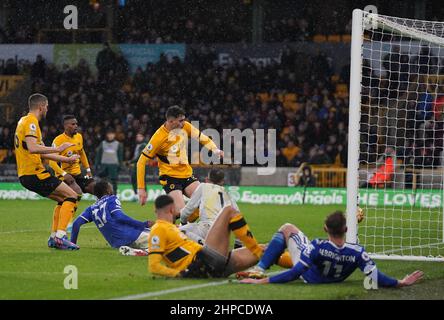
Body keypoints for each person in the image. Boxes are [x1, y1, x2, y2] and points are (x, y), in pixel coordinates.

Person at [238, 211, 423, 289]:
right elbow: (375, 277)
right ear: (346, 229)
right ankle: (266, 257)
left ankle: (259, 269)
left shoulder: (317, 246)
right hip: (334, 276)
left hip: (309, 277)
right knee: (277, 249)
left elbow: (294, 273)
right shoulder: (358, 252)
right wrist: (401, 282)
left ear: (326, 229)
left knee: (288, 228)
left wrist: (262, 282)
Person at [14, 93, 81, 250]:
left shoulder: (23, 121)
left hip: (26, 174)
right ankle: (60, 237)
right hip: (35, 173)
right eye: (47, 106)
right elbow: (32, 148)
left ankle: (54, 238)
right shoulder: (31, 122)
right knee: (72, 195)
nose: (47, 109)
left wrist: (66, 159)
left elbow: (41, 152)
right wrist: (58, 148)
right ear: (41, 106)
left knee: (63, 199)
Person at [137, 105, 223, 217]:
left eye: (184, 119)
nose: (183, 123)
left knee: (206, 203)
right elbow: (141, 162)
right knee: (184, 214)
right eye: (180, 120)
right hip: (170, 177)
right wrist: (141, 188)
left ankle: (176, 218)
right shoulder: (158, 137)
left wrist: (215, 149)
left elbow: (202, 138)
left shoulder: (185, 126)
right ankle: (170, 218)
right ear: (171, 121)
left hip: (186, 174)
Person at [148, 194, 263, 278]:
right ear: (172, 209)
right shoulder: (158, 229)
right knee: (229, 211)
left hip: (209, 263)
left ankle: (261, 266)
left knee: (265, 249)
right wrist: (178, 273)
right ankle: (257, 257)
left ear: (155, 210)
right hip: (202, 262)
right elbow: (154, 266)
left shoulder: (170, 227)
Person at [70, 180, 153, 256]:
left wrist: (72, 244)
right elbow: (119, 217)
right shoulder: (111, 199)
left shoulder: (91, 209)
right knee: (162, 239)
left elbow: (76, 224)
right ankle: (143, 252)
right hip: (132, 235)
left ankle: (137, 250)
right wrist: (143, 224)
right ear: (108, 190)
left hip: (116, 243)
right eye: (110, 186)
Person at [179, 169, 241, 247]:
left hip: (206, 228)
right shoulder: (227, 193)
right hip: (223, 235)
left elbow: (188, 209)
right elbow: (238, 217)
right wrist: (238, 243)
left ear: (207, 179)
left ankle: (205, 247)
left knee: (176, 233)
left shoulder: (203, 186)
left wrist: (183, 221)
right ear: (222, 181)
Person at [95, 128, 123, 195]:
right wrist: (96, 164)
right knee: (102, 181)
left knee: (114, 181)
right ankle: (102, 195)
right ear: (107, 135)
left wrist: (120, 165)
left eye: (112, 134)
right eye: (109, 134)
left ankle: (114, 195)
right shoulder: (103, 143)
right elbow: (99, 155)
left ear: (114, 135)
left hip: (113, 165)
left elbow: (120, 155)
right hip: (104, 164)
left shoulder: (118, 144)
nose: (110, 136)